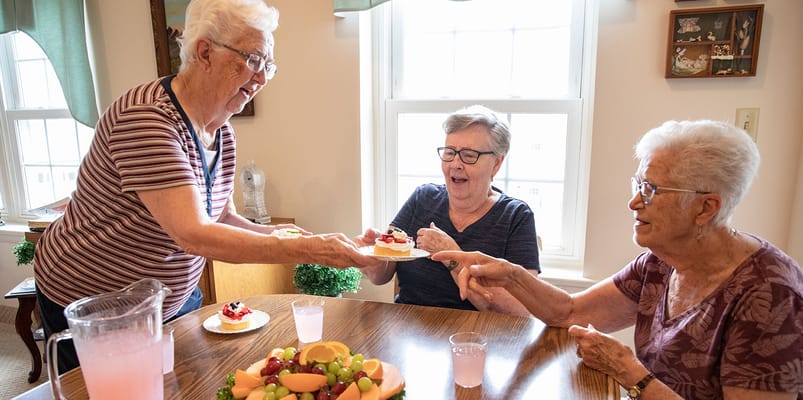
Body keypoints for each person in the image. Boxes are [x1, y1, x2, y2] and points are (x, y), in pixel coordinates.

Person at [34, 0, 374, 373]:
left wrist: (286, 233)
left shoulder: (221, 132)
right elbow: (194, 234)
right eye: (254, 60)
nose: (261, 78)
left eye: (268, 66)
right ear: (205, 53)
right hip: (97, 300)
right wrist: (306, 249)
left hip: (168, 299)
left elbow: (221, 216)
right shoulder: (147, 119)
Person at [434, 120, 803, 400]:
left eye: (651, 190)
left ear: (706, 208)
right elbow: (568, 312)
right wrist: (511, 275)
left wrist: (634, 375)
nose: (634, 202)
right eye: (638, 184)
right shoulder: (659, 263)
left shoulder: (770, 294)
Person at [357, 105, 540, 315]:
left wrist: (452, 257)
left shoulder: (516, 216)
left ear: (496, 163)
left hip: (479, 338)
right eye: (450, 152)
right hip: (409, 332)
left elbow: (522, 309)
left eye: (469, 155)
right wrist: (373, 256)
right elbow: (382, 276)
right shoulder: (422, 198)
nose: (455, 163)